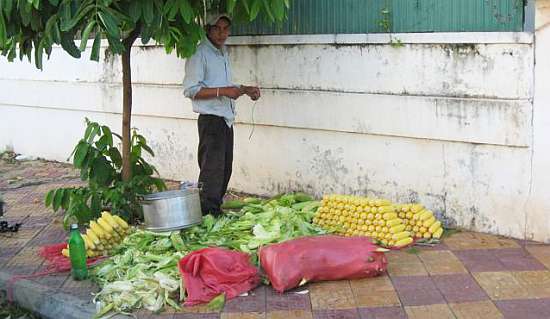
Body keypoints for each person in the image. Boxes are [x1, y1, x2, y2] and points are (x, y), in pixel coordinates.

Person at [183, 13, 260, 216]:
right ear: (208, 29)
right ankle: (207, 213)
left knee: (225, 168)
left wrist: (245, 89)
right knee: (212, 170)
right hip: (211, 120)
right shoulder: (200, 53)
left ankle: (214, 209)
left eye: (226, 29)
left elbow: (224, 85)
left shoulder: (221, 53)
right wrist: (223, 92)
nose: (222, 33)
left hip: (225, 119)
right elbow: (191, 90)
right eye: (217, 28)